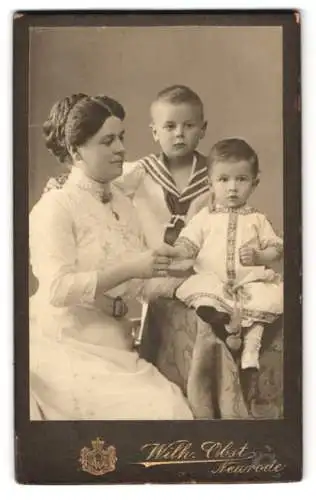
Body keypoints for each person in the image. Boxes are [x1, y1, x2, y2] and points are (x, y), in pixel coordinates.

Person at [29, 92, 193, 420]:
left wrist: (182, 272)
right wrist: (132, 266)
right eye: (107, 141)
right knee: (163, 412)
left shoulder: (122, 203)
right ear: (76, 151)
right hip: (64, 346)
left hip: (116, 345)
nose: (120, 149)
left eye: (121, 137)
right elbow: (57, 290)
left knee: (174, 406)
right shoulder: (55, 207)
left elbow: (140, 286)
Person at [170, 138, 283, 401]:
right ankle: (217, 319)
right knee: (202, 287)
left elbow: (275, 249)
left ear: (254, 183)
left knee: (268, 300)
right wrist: (180, 253)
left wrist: (258, 254)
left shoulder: (257, 219)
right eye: (223, 180)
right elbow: (187, 243)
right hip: (215, 281)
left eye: (241, 179)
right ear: (210, 183)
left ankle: (250, 351)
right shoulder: (204, 217)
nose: (232, 187)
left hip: (248, 283)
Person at [44, 85, 210, 248]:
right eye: (170, 126)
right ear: (155, 132)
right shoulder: (140, 171)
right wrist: (62, 182)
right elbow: (96, 180)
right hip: (155, 263)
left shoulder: (216, 173)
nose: (179, 133)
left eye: (188, 125)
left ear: (202, 129)